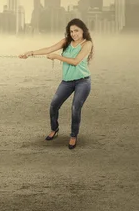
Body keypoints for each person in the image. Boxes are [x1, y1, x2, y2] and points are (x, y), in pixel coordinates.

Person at [19, 18, 94, 150]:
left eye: (76, 30)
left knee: (75, 108)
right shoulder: (66, 42)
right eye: (71, 31)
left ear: (83, 30)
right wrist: (30, 53)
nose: (73, 34)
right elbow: (49, 49)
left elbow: (76, 61)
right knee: (54, 105)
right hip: (67, 81)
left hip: (83, 81)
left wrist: (57, 57)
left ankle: (73, 135)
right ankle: (55, 129)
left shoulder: (87, 44)